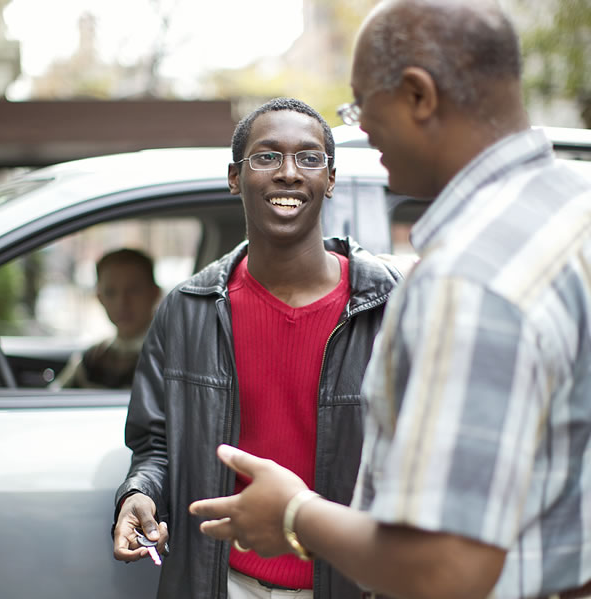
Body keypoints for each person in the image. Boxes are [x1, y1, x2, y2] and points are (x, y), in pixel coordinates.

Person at [189, 2, 591, 599]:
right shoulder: (573, 206)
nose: (361, 129)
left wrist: (296, 515)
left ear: (418, 96)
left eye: (360, 105)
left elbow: (443, 569)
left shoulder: (466, 281)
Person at [112, 97, 403, 598]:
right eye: (267, 157)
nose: (289, 172)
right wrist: (140, 492)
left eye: (309, 158)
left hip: (351, 583)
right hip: (224, 583)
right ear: (234, 177)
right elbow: (155, 442)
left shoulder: (393, 305)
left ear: (330, 179)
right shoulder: (188, 308)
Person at [52, 248, 160, 389]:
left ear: (154, 293)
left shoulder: (171, 357)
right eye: (110, 292)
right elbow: (54, 399)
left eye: (134, 290)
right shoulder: (92, 358)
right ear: (100, 298)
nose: (122, 303)